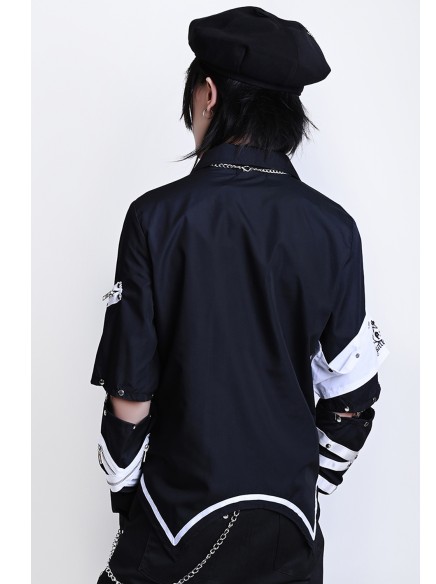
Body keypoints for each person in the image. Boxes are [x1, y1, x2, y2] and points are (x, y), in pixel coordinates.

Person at [91, 6, 389, 584]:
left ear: (207, 94)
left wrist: (127, 499)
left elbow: (130, 393)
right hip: (290, 528)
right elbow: (352, 394)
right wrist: (309, 486)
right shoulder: (334, 228)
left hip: (177, 520)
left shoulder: (155, 217)